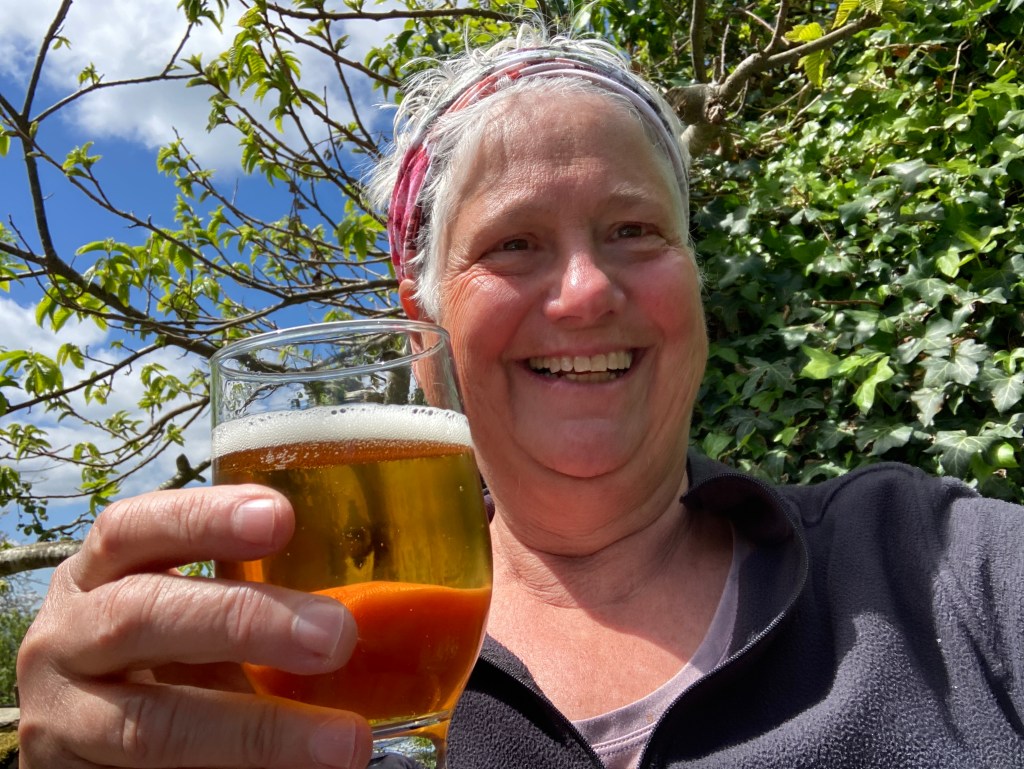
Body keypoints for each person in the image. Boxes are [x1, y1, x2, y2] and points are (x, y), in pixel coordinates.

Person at [15, 23, 1024, 769]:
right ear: (422, 318)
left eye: (635, 230)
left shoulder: (948, 568)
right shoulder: (269, 666)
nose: (585, 291)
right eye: (512, 243)